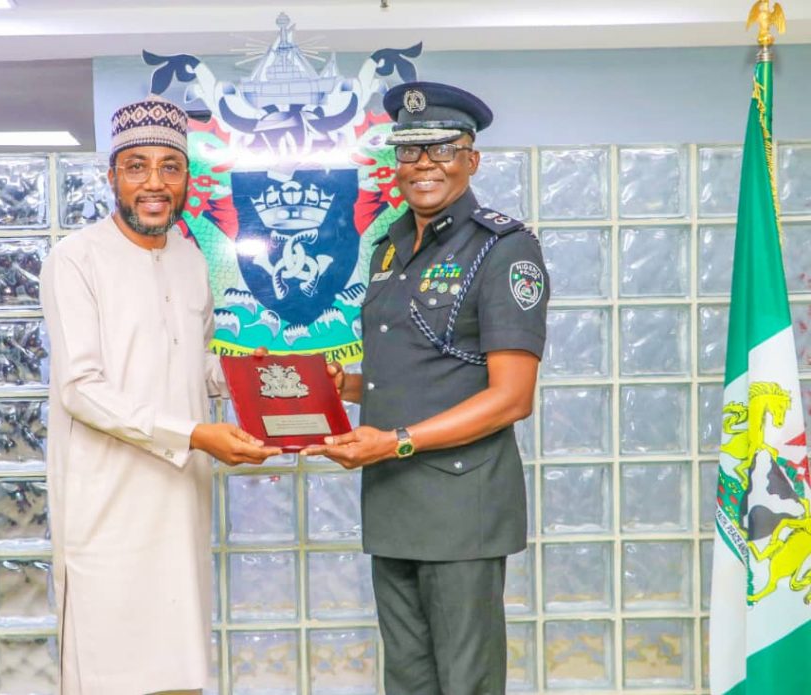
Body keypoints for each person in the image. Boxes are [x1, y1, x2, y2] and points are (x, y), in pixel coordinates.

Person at [304, 81, 549, 694]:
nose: (423, 165)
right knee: (409, 680)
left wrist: (394, 442)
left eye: (441, 149)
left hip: (461, 506)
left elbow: (512, 397)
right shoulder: (390, 247)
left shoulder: (503, 248)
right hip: (393, 502)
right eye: (409, 151)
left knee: (464, 681)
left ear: (472, 159)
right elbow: (419, 366)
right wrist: (344, 385)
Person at [40, 94, 281, 695]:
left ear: (187, 179)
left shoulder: (189, 258)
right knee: (111, 675)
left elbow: (190, 362)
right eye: (137, 166)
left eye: (169, 167)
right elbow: (81, 390)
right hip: (107, 507)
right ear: (113, 176)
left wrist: (244, 373)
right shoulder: (76, 259)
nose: (154, 182)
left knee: (179, 673)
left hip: (180, 499)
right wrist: (196, 434)